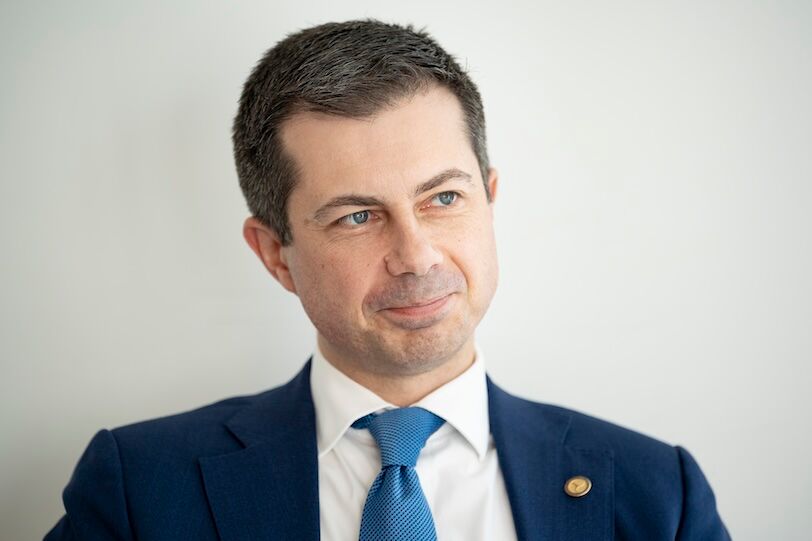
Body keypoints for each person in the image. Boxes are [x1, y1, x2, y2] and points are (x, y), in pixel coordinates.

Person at [45, 19, 730, 540]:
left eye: (443, 198)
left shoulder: (657, 493)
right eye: (358, 215)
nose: (417, 255)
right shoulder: (139, 487)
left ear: (490, 199)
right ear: (275, 253)